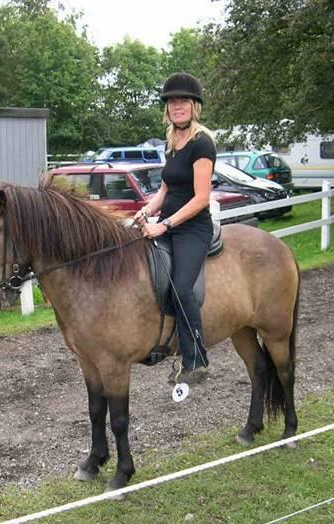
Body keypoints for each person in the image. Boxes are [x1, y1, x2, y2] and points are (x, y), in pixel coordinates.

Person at [133, 72, 217, 385]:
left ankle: (196, 358)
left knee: (182, 287)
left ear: (194, 106)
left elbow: (201, 198)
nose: (176, 106)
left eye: (183, 101)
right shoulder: (172, 142)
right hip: (168, 223)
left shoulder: (201, 143)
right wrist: (146, 211)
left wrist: (164, 225)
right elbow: (166, 190)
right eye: (171, 101)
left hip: (193, 229)